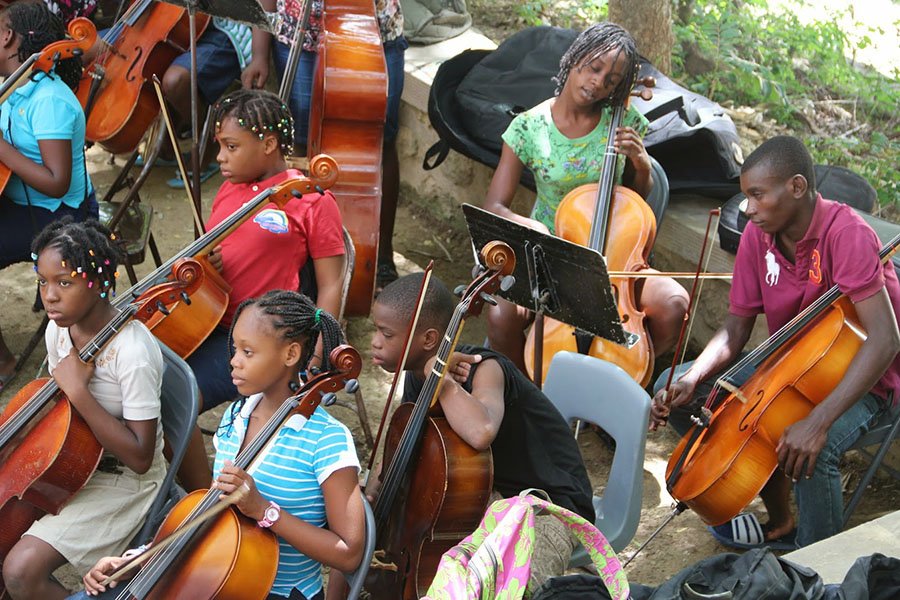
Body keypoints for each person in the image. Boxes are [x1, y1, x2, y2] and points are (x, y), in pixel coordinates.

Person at [651, 135, 900, 549]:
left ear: (797, 187)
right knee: (679, 390)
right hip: (792, 364)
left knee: (811, 450)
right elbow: (734, 330)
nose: (747, 208)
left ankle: (820, 569)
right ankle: (782, 521)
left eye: (757, 195)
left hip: (868, 377)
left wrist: (818, 423)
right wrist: (693, 377)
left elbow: (886, 341)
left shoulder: (848, 235)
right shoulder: (757, 234)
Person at [69, 291, 365, 600]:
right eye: (235, 348)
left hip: (280, 592)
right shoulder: (235, 417)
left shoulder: (327, 440)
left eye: (248, 352)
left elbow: (348, 554)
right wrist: (139, 559)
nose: (234, 361)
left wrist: (264, 510)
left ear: (290, 354)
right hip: (215, 574)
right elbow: (213, 514)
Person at [482, 22, 688, 375]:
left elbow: (632, 202)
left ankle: (620, 382)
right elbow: (494, 206)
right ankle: (523, 391)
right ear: (575, 57)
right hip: (551, 250)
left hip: (613, 254)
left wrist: (641, 165)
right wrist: (530, 227)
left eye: (612, 80)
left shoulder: (622, 121)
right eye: (594, 68)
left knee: (674, 305)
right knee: (503, 314)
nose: (598, 83)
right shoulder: (529, 128)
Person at [368, 273, 595, 592]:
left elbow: (482, 431)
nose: (375, 341)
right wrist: (374, 493)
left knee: (508, 587)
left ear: (429, 340)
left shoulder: (485, 367)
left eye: (385, 333)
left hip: (546, 505)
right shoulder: (416, 374)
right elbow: (403, 443)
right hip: (486, 494)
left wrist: (445, 384)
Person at [176, 88, 345, 490]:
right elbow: (225, 255)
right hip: (208, 321)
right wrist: (209, 267)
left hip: (255, 339)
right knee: (152, 379)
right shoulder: (231, 186)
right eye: (220, 146)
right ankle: (196, 488)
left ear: (268, 144)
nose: (220, 158)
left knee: (178, 403)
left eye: (231, 146)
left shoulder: (311, 200)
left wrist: (319, 351)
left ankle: (205, 502)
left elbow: (332, 282)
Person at [1, 218, 165, 600]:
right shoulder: (59, 329)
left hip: (123, 480)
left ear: (100, 283)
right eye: (42, 282)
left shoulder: (134, 352)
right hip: (68, 463)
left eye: (64, 282)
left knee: (21, 572)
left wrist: (80, 393)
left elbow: (141, 457)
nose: (49, 296)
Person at [256, 0, 407, 292]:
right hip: (299, 33)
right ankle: (301, 254)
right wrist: (259, 52)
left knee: (379, 138)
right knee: (300, 145)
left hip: (373, 32)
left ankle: (378, 257)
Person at [0, 1, 98, 391]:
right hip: (20, 200)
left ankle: (4, 361)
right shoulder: (13, 85)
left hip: (58, 214)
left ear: (8, 37)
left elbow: (57, 181)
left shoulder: (49, 100)